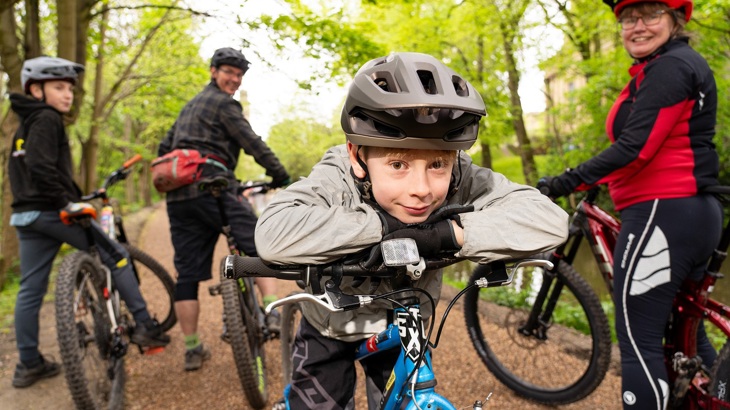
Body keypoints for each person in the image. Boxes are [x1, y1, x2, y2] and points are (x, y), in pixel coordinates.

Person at [254, 52, 570, 409]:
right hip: (331, 325)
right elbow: (272, 232)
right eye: (398, 164)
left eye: (437, 163)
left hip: (406, 322)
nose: (421, 188)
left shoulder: (460, 175)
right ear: (357, 156)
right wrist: (382, 227)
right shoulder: (336, 176)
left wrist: (449, 235)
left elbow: (551, 220)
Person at [537, 0, 720, 407]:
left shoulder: (671, 68)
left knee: (638, 341)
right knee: (687, 335)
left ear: (675, 21)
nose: (637, 26)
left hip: (663, 213)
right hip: (692, 214)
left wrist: (566, 180)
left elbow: (635, 149)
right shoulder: (668, 66)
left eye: (651, 15)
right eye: (628, 18)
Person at [8, 56, 170, 388]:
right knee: (117, 256)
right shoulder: (47, 118)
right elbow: (41, 167)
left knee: (30, 290)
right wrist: (66, 203)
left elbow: (25, 169)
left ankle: (28, 364)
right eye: (58, 87)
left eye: (69, 88)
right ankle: (144, 326)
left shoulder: (23, 125)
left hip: (26, 215)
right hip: (52, 211)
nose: (67, 95)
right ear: (36, 90)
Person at [158, 47, 290, 371]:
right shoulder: (223, 104)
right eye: (228, 71)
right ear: (213, 71)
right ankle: (272, 312)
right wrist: (280, 174)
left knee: (187, 273)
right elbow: (251, 141)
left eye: (239, 74)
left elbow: (164, 149)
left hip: (179, 198)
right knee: (258, 243)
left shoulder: (188, 108)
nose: (234, 78)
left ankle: (192, 349)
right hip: (212, 186)